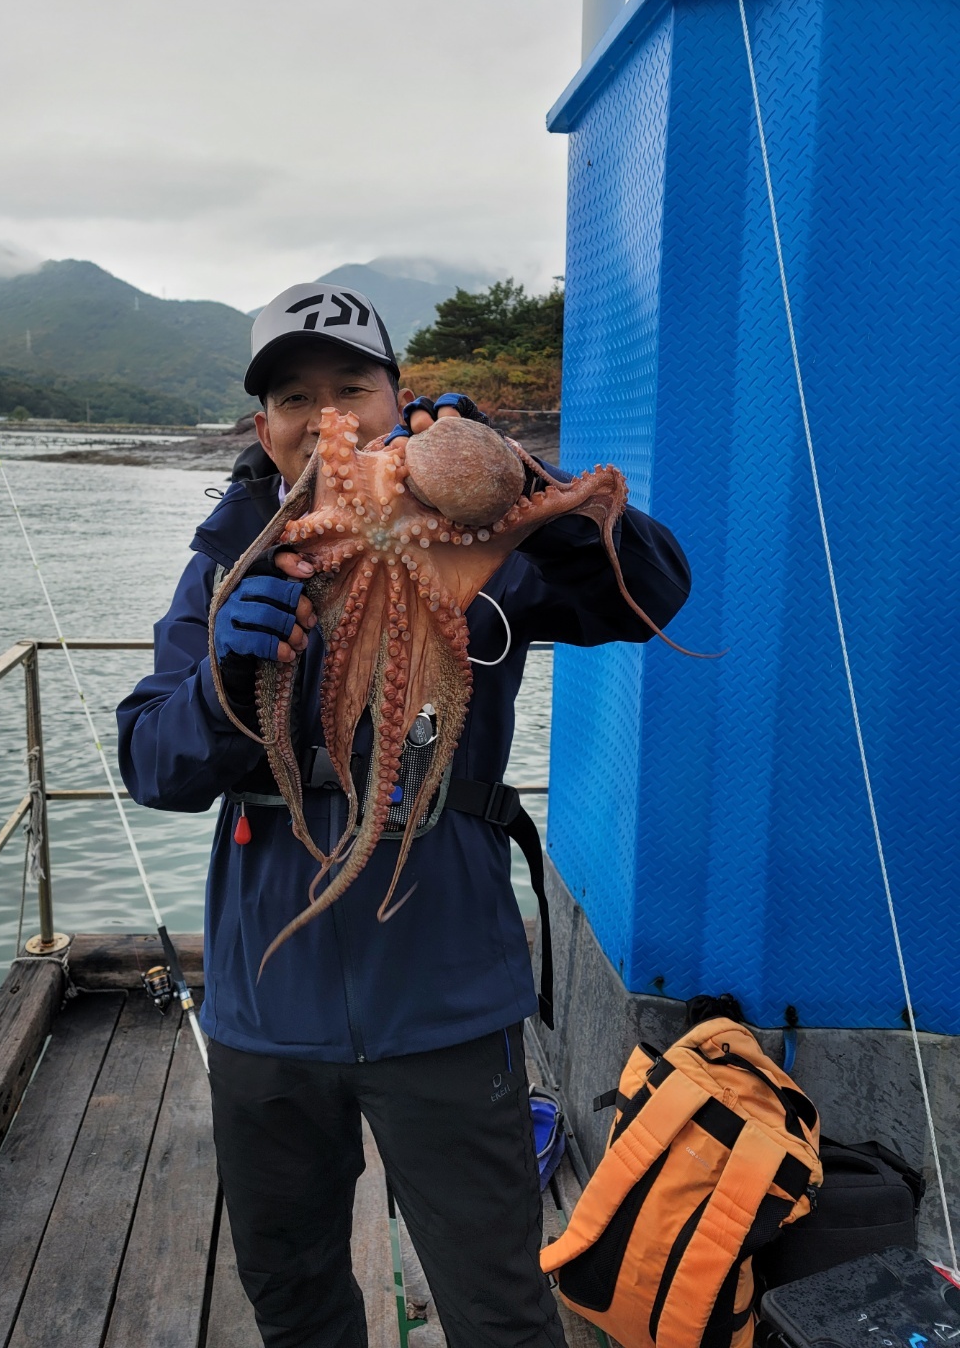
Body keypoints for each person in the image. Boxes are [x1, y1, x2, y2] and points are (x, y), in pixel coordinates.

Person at [116, 281, 691, 1348]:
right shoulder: (228, 563)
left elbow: (650, 592)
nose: (325, 416)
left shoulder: (480, 541)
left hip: (447, 1001)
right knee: (292, 1292)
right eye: (294, 397)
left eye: (352, 388)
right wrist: (222, 683)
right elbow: (152, 763)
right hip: (266, 1011)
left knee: (497, 1305)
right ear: (263, 429)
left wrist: (516, 475)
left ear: (402, 400)